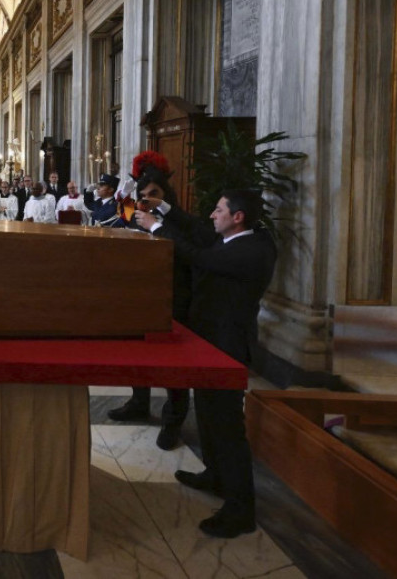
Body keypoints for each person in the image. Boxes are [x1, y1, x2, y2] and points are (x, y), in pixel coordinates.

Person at [136, 189, 276, 538]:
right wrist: (163, 208)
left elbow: (198, 256)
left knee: (227, 428)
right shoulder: (231, 238)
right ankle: (215, 475)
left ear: (237, 217)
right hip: (209, 342)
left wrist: (156, 228)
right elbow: (196, 228)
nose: (212, 215)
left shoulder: (253, 250)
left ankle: (241, 510)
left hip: (228, 346)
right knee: (208, 416)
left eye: (218, 209)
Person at [107, 168, 204, 450]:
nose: (147, 199)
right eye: (143, 194)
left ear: (165, 195)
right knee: (139, 354)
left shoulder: (180, 221)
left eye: (154, 194)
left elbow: (187, 251)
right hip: (143, 295)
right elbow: (124, 227)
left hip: (175, 296)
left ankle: (173, 419)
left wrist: (155, 224)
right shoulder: (136, 216)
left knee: (175, 363)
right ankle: (139, 402)